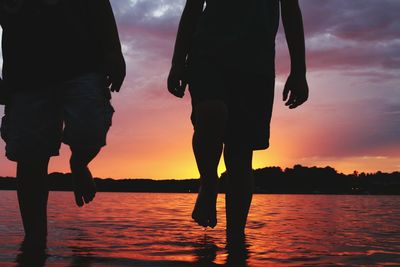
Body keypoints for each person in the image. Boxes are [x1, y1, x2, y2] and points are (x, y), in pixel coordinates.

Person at [168, 0, 309, 244]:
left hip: (256, 64)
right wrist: (177, 62)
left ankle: (236, 241)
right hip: (208, 53)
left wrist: (299, 71)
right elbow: (192, 7)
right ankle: (209, 181)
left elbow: (291, 11)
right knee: (211, 112)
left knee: (240, 156)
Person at [0, 0, 125, 249]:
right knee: (30, 155)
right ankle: (35, 242)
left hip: (83, 64)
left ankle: (78, 164)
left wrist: (113, 50)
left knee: (90, 128)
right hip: (25, 74)